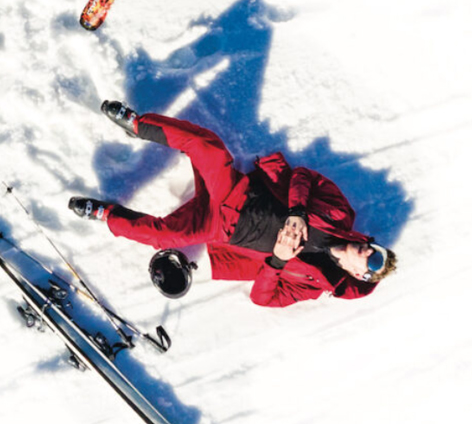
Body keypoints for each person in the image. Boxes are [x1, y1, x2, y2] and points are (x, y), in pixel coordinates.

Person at [69, 101, 397, 308]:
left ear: (358, 275)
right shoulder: (340, 214)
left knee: (164, 237)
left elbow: (263, 298)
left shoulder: (312, 284)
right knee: (207, 147)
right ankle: (138, 125)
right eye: (376, 251)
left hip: (221, 228)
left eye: (372, 264)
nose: (370, 254)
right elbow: (304, 177)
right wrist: (297, 211)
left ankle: (104, 214)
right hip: (236, 192)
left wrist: (278, 262)